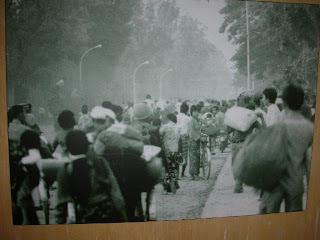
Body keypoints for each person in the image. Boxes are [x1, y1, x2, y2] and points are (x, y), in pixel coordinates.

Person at [259, 85, 314, 214]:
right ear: (301, 102)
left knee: (269, 221)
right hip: (295, 183)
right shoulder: (309, 129)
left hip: (275, 181)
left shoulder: (278, 124)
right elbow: (309, 160)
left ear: (284, 102)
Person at [55, 130, 127, 223]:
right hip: (106, 213)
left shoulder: (65, 168)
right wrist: (123, 218)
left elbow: (61, 202)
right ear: (86, 146)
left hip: (83, 216)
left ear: (68, 148)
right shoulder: (100, 162)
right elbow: (115, 192)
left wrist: (60, 222)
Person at [227, 99, 261, 193]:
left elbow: (227, 130)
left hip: (237, 144)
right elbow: (264, 129)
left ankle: (238, 184)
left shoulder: (239, 118)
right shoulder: (252, 120)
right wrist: (261, 118)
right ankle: (239, 182)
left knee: (238, 164)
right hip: (240, 144)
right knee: (238, 164)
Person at [160, 113, 181, 192]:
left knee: (167, 168)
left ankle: (167, 187)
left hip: (167, 149)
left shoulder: (164, 127)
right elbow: (179, 139)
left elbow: (160, 135)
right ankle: (174, 185)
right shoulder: (177, 127)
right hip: (175, 149)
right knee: (174, 167)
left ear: (168, 119)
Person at [188, 105, 202, 180]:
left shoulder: (196, 119)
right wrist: (198, 137)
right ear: (191, 112)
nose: (196, 113)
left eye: (197, 111)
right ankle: (194, 174)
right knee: (194, 158)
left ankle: (194, 174)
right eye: (195, 111)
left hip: (197, 140)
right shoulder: (191, 120)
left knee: (197, 157)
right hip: (193, 140)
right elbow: (191, 132)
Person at [177, 103, 190, 177]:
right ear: (187, 110)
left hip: (177, 137)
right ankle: (182, 173)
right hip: (184, 137)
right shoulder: (187, 118)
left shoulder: (176, 116)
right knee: (185, 154)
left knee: (177, 153)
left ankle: (177, 173)